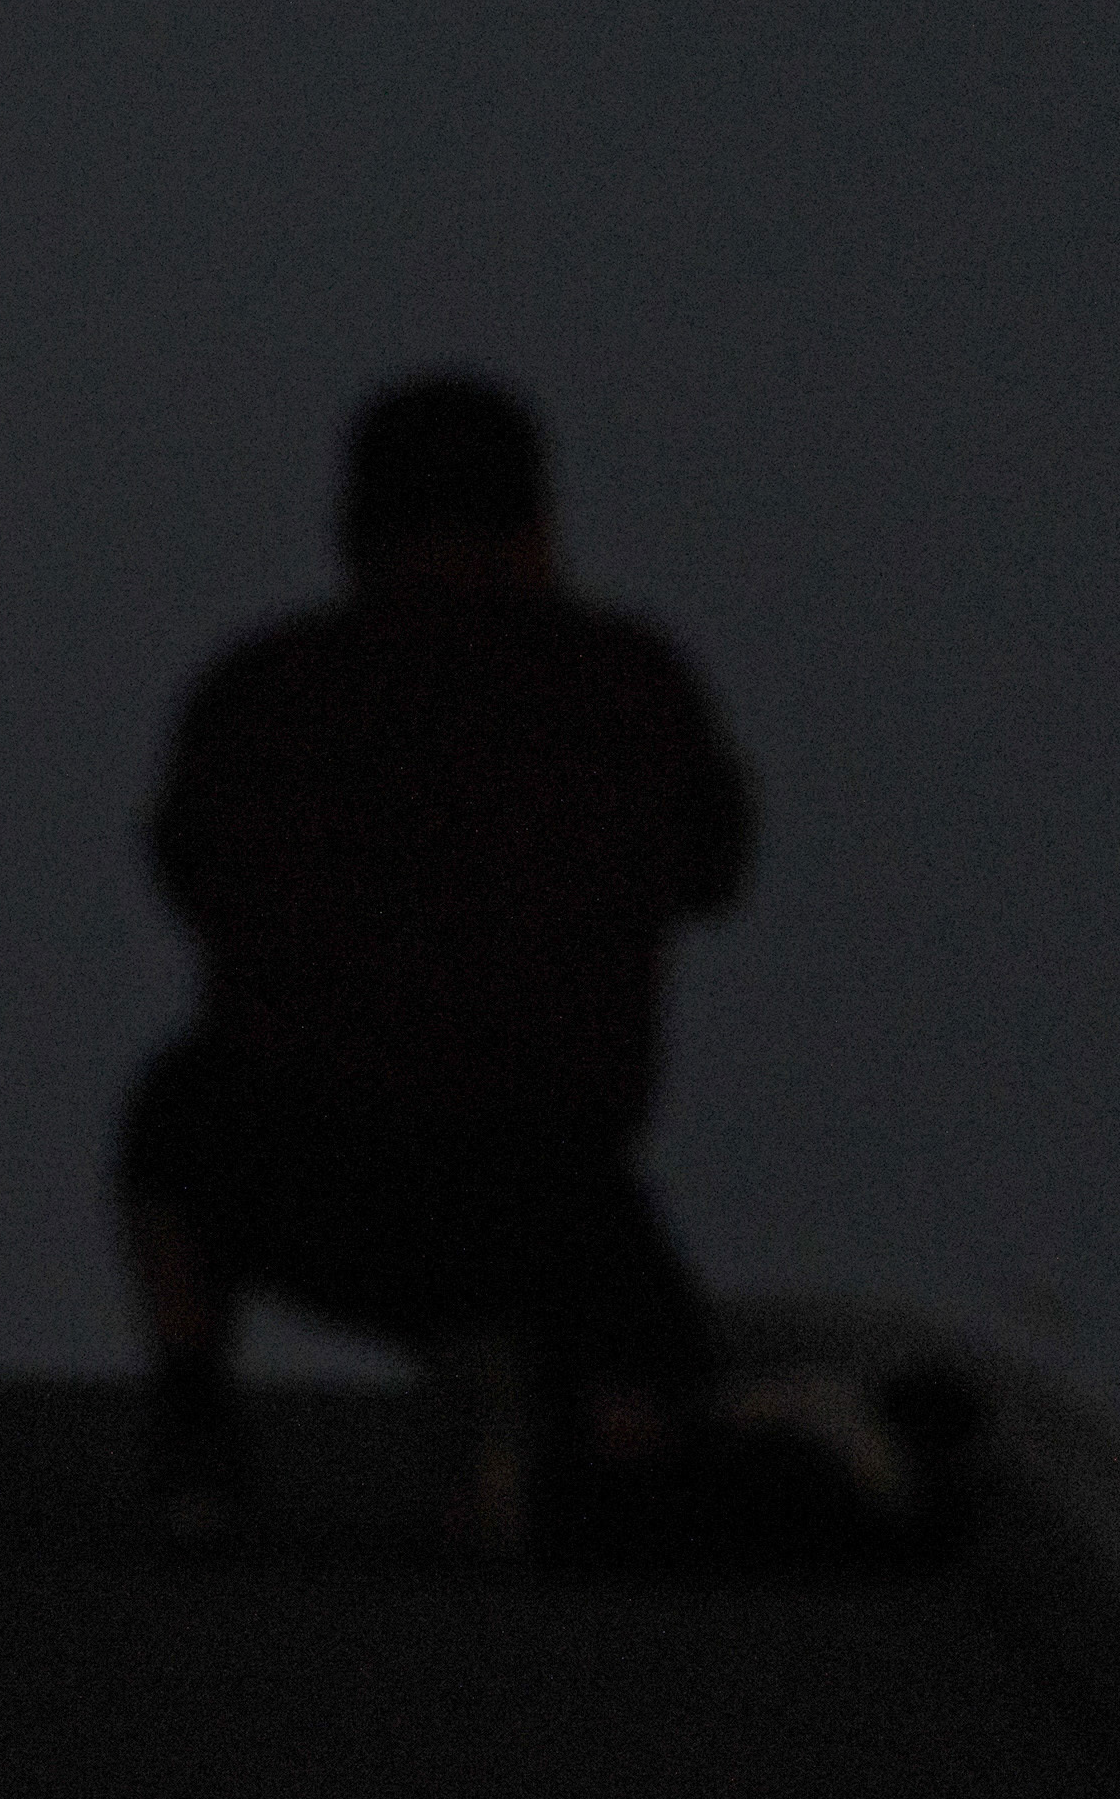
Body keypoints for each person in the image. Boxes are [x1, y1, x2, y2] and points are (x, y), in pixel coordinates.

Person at [115, 374, 750, 1559]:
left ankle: (197, 1417)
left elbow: (191, 874)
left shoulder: (266, 689)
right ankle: (571, 1406)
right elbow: (718, 866)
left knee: (173, 1120)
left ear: (355, 527)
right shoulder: (630, 684)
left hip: (310, 1160)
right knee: (657, 1395)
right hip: (556, 1185)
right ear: (537, 525)